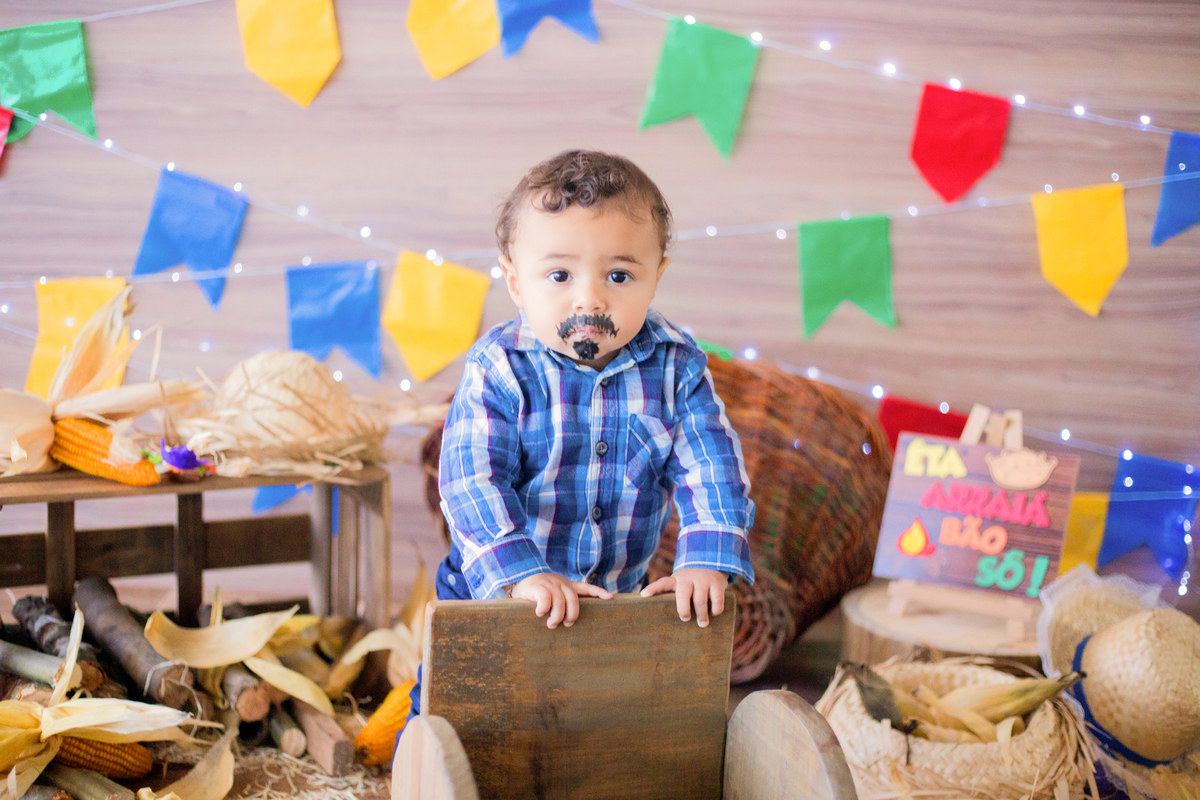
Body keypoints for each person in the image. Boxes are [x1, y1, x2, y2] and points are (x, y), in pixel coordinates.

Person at [406, 149, 754, 722]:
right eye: (560, 275)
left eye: (619, 275)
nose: (589, 298)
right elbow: (472, 481)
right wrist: (523, 574)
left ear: (656, 276)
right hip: (495, 592)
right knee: (461, 712)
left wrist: (705, 559)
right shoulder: (501, 367)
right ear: (516, 281)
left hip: (616, 598)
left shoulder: (676, 367)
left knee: (598, 723)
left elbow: (710, 469)